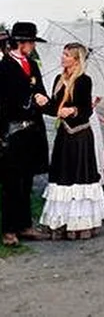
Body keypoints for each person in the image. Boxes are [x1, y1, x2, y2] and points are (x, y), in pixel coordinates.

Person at [40, 44, 104, 240]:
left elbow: (86, 110)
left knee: (80, 175)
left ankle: (81, 223)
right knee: (63, 174)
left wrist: (73, 110)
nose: (63, 57)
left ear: (77, 60)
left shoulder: (84, 80)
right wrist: (45, 103)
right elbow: (54, 108)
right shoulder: (58, 80)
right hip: (64, 134)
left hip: (80, 135)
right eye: (63, 54)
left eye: (67, 55)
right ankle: (61, 221)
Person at [0, 22, 50, 246]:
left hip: (32, 130)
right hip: (12, 130)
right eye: (31, 43)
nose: (33, 46)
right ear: (21, 43)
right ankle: (9, 229)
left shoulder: (32, 65)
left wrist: (42, 99)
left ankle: (25, 225)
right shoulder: (4, 67)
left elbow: (40, 90)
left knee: (27, 181)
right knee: (12, 183)